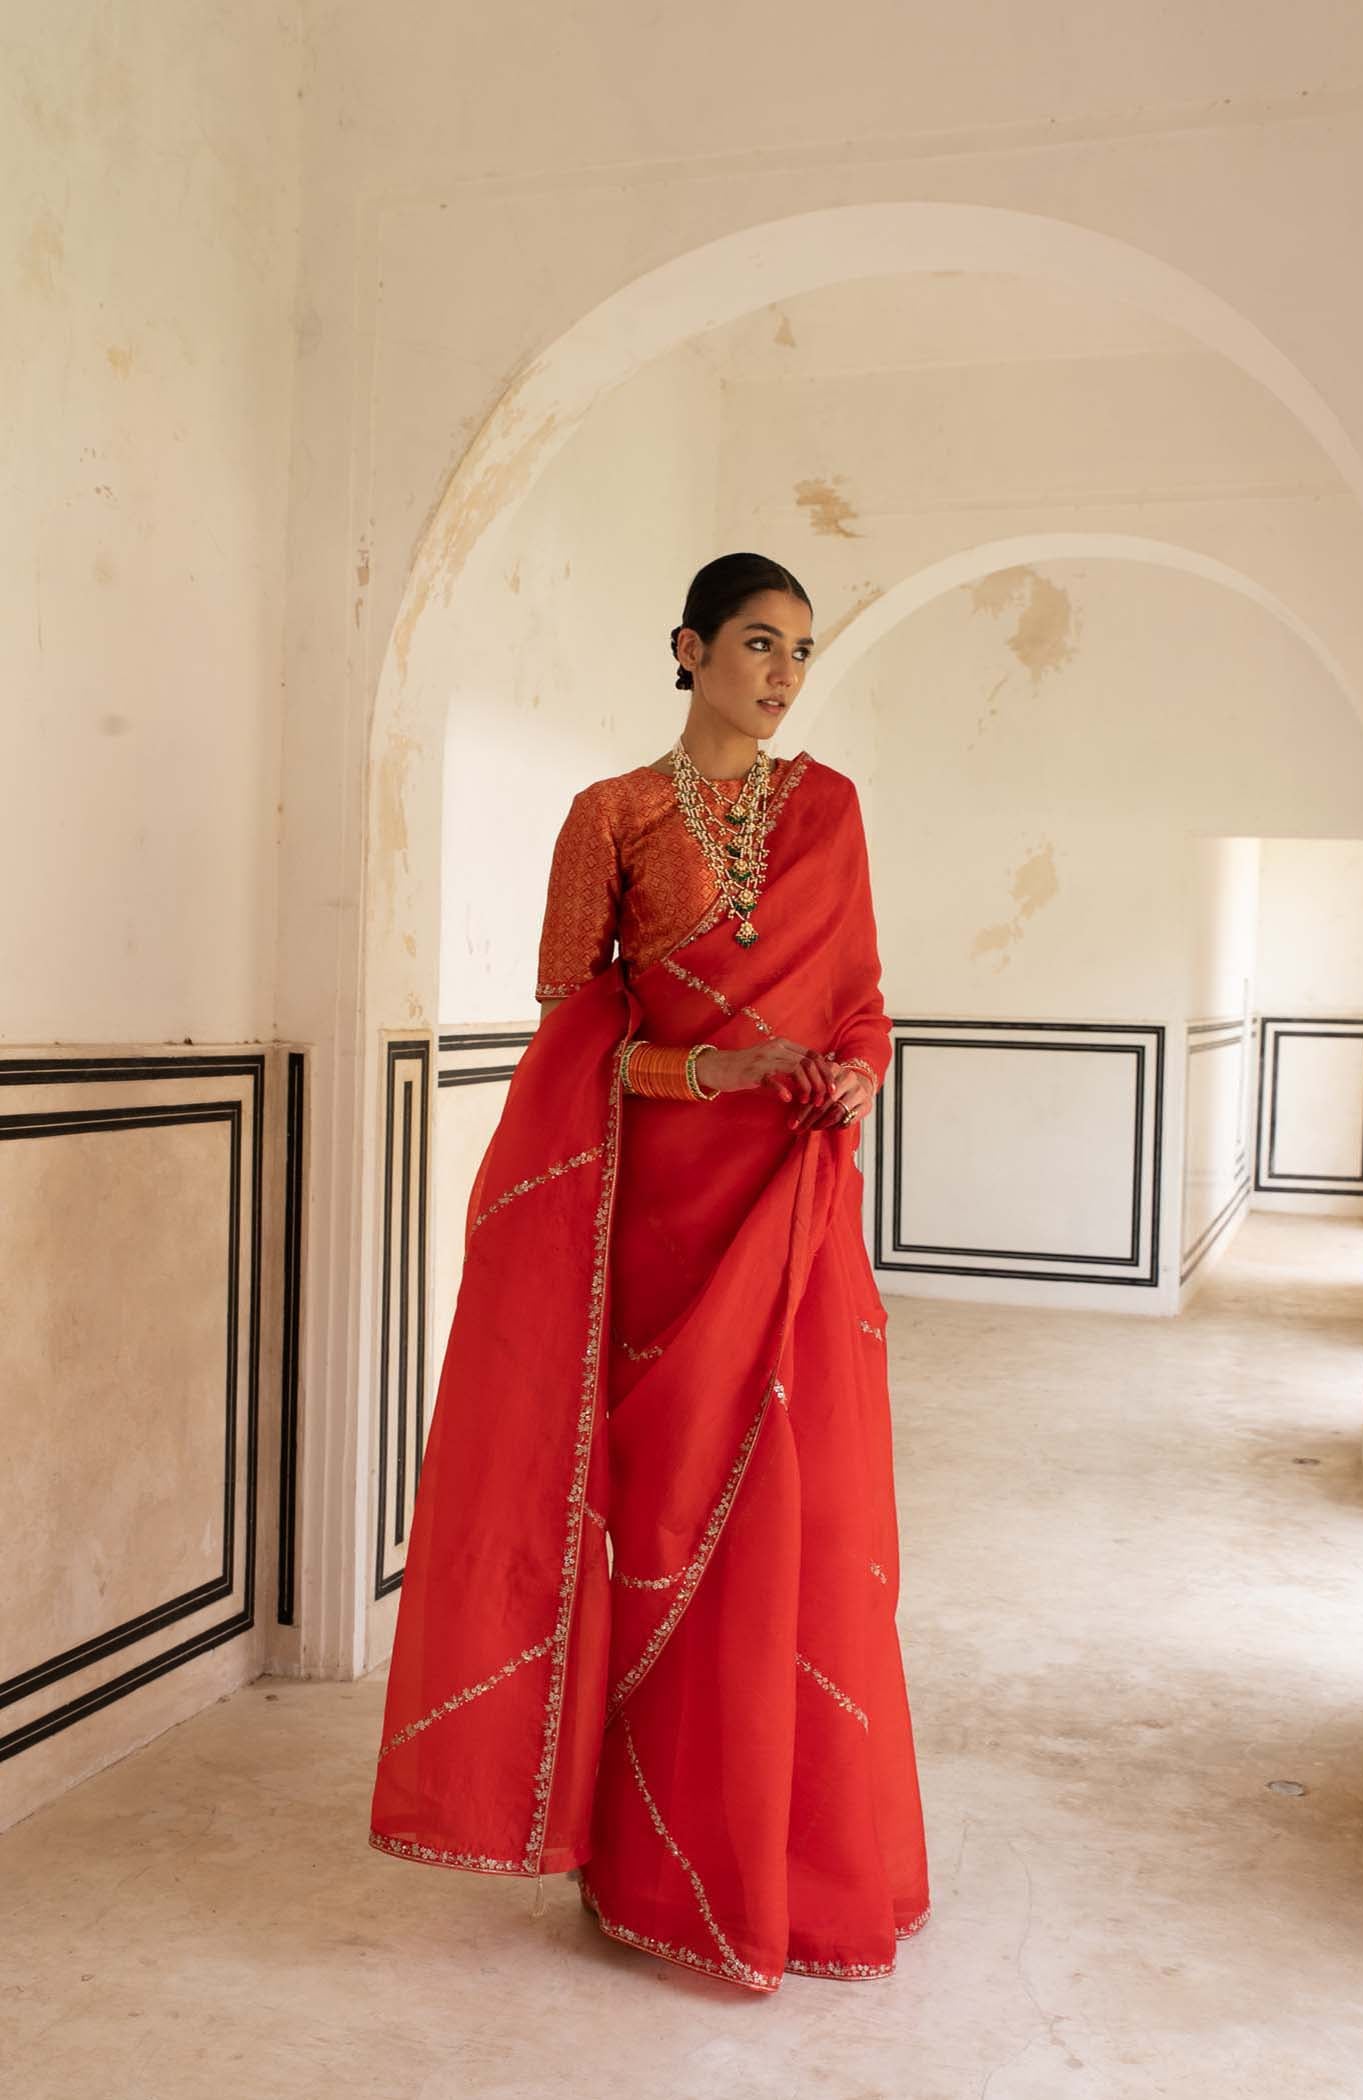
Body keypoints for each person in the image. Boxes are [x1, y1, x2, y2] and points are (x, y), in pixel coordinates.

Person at [369, 551, 930, 1991]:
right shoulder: (608, 818)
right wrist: (713, 1065)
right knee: (661, 1514)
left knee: (791, 1517)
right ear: (689, 648)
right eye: (756, 642)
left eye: (800, 650)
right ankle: (643, 1858)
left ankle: (786, 1863)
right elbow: (578, 1049)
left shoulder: (833, 812)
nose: (783, 673)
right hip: (660, 1224)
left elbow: (863, 1004)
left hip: (786, 1203)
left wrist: (851, 1078)